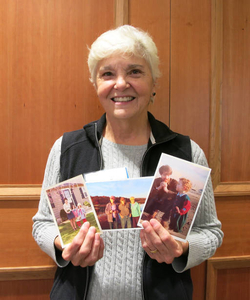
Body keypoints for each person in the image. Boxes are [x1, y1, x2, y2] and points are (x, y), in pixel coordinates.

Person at [32, 25, 223, 300]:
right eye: (107, 73)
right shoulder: (67, 149)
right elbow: (43, 224)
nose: (120, 84)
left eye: (135, 71)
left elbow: (210, 232)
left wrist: (183, 249)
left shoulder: (186, 153)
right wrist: (63, 243)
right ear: (96, 84)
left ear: (155, 81)